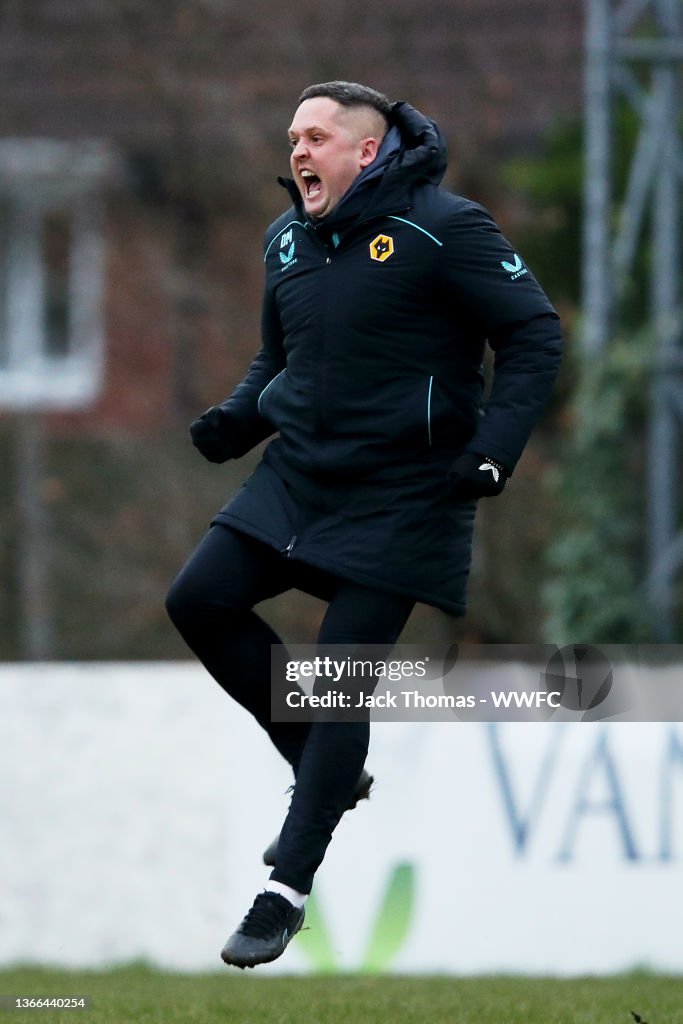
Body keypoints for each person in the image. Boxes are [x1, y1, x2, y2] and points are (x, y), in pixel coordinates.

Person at [165, 81, 562, 969]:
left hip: (408, 492)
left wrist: (494, 448)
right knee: (198, 599)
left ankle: (283, 893)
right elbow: (282, 360)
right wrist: (238, 419)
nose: (298, 151)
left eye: (316, 136)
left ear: (366, 151)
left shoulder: (446, 228)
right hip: (299, 477)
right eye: (293, 137)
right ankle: (320, 763)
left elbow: (534, 335)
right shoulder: (286, 240)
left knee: (339, 676)